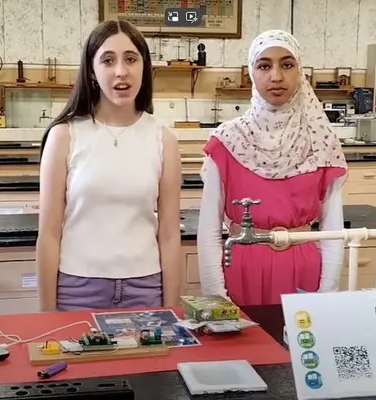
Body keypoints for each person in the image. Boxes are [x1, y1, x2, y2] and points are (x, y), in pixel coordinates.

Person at [37, 20, 181, 311]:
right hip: (77, 289)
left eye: (131, 59)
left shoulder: (163, 139)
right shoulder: (64, 135)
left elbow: (169, 233)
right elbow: (49, 233)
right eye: (107, 60)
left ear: (144, 67)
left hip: (146, 287)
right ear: (91, 71)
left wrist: (172, 309)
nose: (121, 71)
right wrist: (46, 313)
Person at [197, 30, 348, 306]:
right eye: (264, 65)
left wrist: (327, 296)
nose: (276, 76)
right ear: (251, 73)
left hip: (305, 275)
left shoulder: (321, 140)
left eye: (287, 65)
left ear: (300, 71)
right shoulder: (228, 140)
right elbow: (208, 232)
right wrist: (217, 299)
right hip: (241, 274)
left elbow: (333, 230)